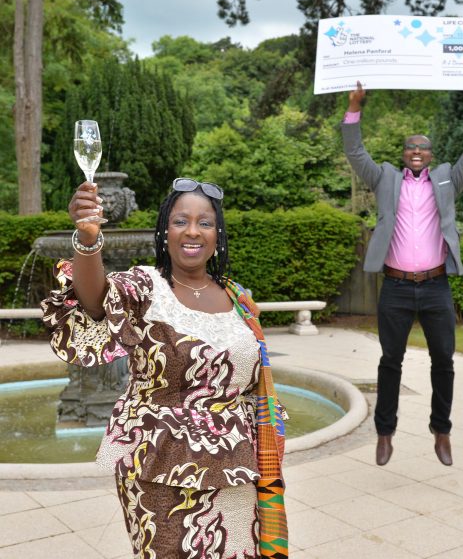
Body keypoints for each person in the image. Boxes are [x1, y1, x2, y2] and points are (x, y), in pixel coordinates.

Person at [41, 177, 288, 558]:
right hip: (160, 466)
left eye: (204, 223)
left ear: (217, 233)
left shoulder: (239, 298)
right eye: (180, 221)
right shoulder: (145, 286)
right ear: (165, 230)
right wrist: (88, 240)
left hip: (237, 467)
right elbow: (94, 302)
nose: (192, 231)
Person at [341, 81, 463, 467]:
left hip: (435, 286)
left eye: (423, 148)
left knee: (444, 360)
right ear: (403, 153)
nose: (416, 152)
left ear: (431, 155)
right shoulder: (385, 179)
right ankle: (384, 434)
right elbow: (355, 151)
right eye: (411, 147)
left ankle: (441, 431)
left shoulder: (447, 179)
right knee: (390, 361)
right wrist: (355, 108)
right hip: (394, 286)